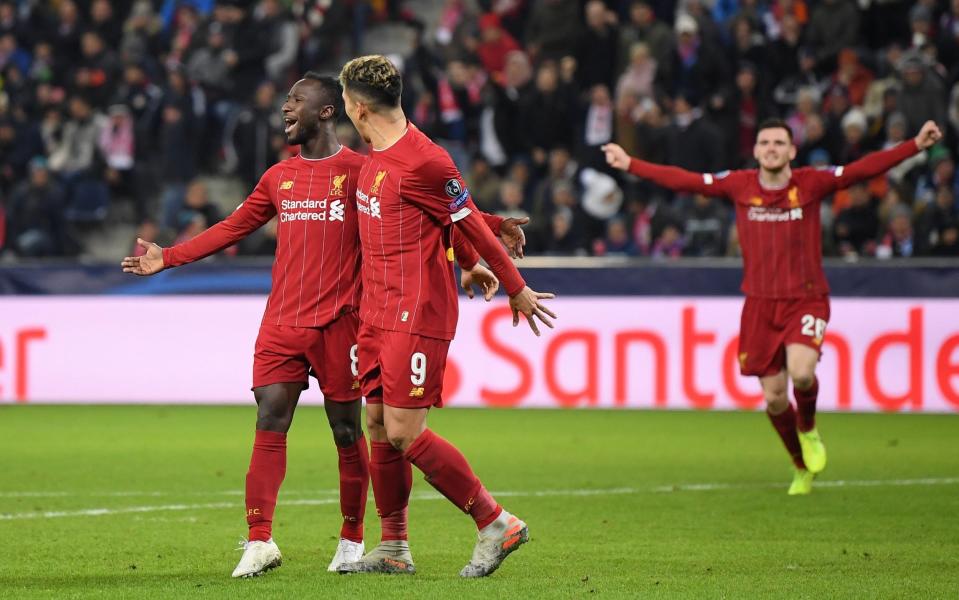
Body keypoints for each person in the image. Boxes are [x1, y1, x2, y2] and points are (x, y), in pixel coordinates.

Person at [120, 72, 528, 579]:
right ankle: (262, 540)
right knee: (275, 414)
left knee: (352, 429)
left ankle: (358, 539)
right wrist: (171, 257)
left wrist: (481, 235)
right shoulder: (278, 177)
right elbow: (233, 226)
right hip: (285, 321)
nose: (285, 106)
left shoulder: (362, 169)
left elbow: (435, 207)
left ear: (330, 110)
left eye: (296, 99)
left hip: (346, 323)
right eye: (286, 98)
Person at [603, 118, 942, 495]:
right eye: (765, 142)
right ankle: (800, 465)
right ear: (756, 150)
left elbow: (863, 169)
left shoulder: (812, 183)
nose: (771, 149)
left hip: (806, 298)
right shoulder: (740, 185)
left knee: (801, 373)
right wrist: (630, 163)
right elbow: (686, 180)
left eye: (779, 143)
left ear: (792, 151)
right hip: (760, 304)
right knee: (775, 397)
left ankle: (809, 427)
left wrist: (915, 144)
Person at [336, 54, 556, 577]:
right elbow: (450, 212)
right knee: (378, 426)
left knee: (407, 431)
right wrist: (486, 236)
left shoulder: (426, 158)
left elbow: (467, 223)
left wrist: (515, 286)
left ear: (359, 107)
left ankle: (496, 522)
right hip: (376, 310)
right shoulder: (376, 154)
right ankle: (393, 546)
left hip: (417, 312)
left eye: (345, 100)